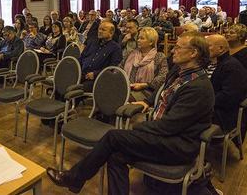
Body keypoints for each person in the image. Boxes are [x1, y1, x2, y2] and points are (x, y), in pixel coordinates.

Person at [47, 32, 215, 195]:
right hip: (163, 135)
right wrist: (147, 102)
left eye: (178, 47)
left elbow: (169, 126)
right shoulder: (179, 73)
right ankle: (74, 179)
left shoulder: (198, 87)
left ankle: (74, 178)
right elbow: (162, 91)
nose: (172, 50)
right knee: (116, 156)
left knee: (114, 137)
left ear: (193, 53)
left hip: (177, 145)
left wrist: (139, 128)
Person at [206, 34, 247, 134]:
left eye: (208, 46)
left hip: (221, 114)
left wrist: (202, 102)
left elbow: (228, 97)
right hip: (209, 106)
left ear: (220, 49)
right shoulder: (208, 63)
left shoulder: (231, 67)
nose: (204, 49)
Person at [121, 27, 168, 101]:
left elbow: (163, 77)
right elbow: (120, 68)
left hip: (147, 90)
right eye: (138, 38)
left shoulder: (159, 56)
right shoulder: (131, 53)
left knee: (120, 98)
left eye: (142, 38)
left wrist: (144, 85)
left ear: (151, 42)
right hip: (126, 87)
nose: (138, 40)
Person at [79, 21, 122, 93]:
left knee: (76, 89)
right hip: (82, 73)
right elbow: (81, 58)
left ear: (111, 33)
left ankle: (71, 103)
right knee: (65, 81)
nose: (100, 31)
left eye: (103, 30)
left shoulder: (115, 48)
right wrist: (77, 69)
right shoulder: (92, 42)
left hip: (98, 78)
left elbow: (113, 68)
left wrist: (95, 74)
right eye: (99, 29)